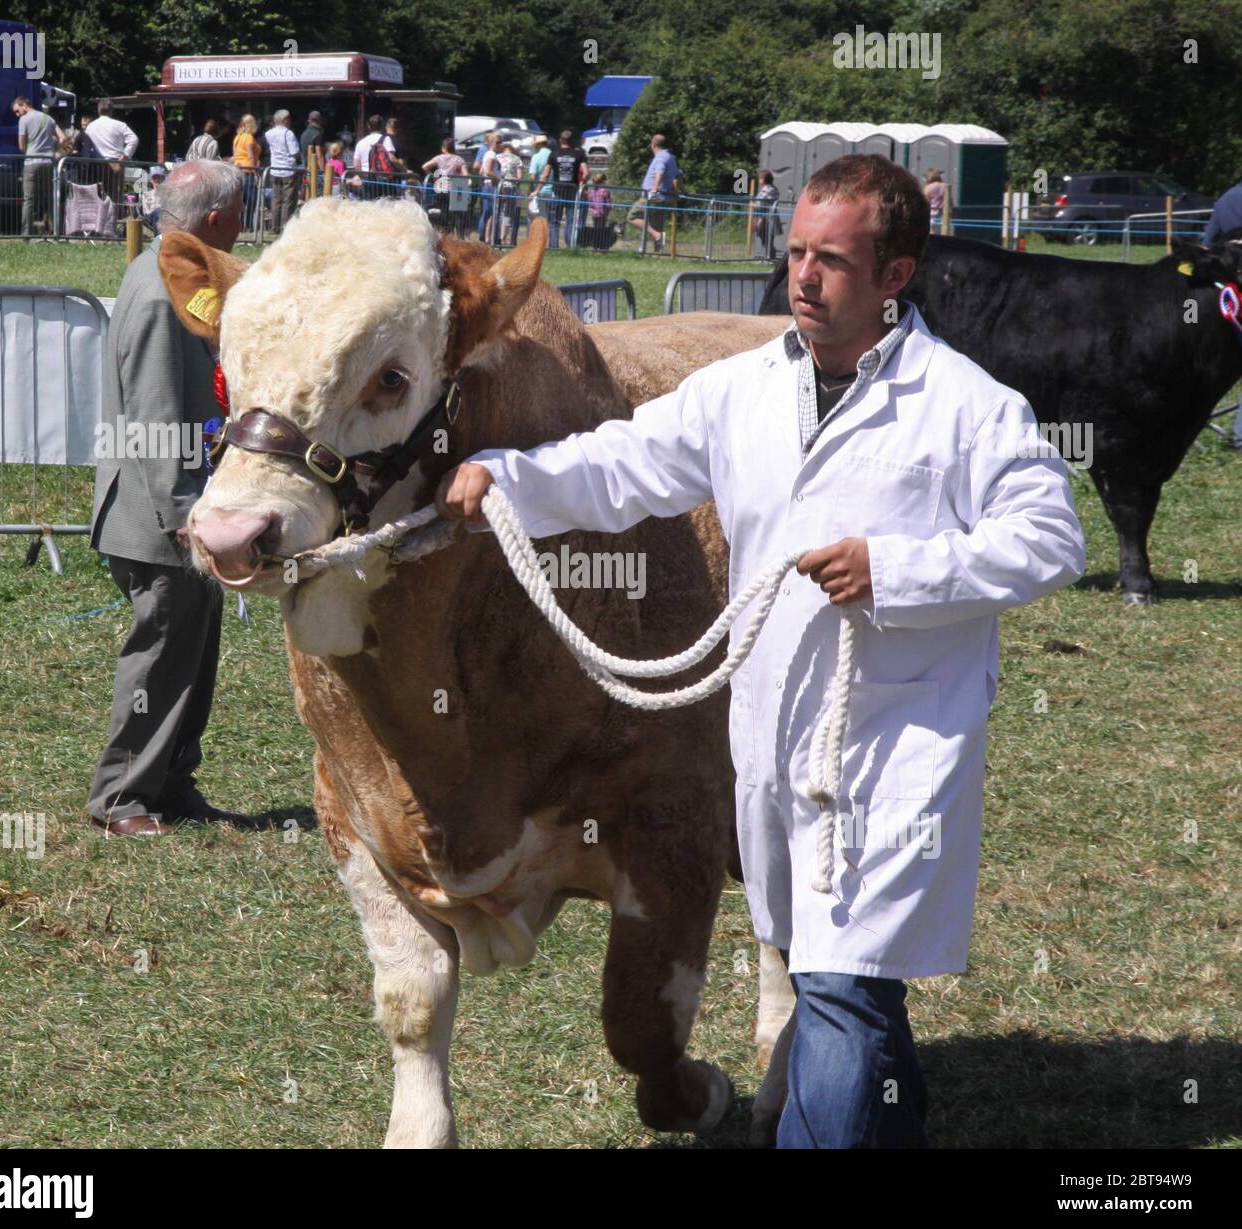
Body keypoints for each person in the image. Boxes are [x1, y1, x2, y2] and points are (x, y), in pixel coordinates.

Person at [435, 154, 1086, 1148]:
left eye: (831, 260)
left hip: (894, 736)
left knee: (839, 976)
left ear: (894, 278)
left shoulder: (967, 405)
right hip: (772, 724)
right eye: (793, 253)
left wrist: (895, 570)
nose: (802, 278)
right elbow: (627, 463)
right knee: (840, 966)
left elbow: (1048, 539)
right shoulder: (738, 389)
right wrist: (508, 477)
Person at [88, 159, 252, 837]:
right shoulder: (160, 292)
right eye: (242, 214)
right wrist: (187, 514)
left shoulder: (176, 276)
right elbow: (157, 420)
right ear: (216, 220)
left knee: (192, 652)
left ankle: (172, 780)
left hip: (186, 506)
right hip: (160, 515)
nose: (247, 226)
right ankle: (121, 797)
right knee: (159, 655)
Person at [13, 96, 65, 237]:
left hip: (32, 162)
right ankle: (54, 231)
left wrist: (28, 151)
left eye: (17, 111)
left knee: (28, 200)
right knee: (51, 198)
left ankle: (26, 234)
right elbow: (63, 138)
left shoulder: (24, 120)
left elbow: (21, 145)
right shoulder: (48, 119)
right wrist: (56, 151)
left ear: (23, 104)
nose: (17, 114)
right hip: (49, 162)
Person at [627, 132, 681, 253]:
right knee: (657, 224)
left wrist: (654, 189)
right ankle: (659, 252)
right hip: (666, 197)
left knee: (632, 216)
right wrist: (682, 191)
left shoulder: (661, 157)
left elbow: (659, 172)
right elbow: (678, 175)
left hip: (654, 197)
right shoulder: (671, 157)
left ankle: (657, 236)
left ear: (653, 145)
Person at [86, 99, 139, 208]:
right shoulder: (120, 125)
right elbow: (134, 139)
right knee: (115, 196)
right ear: (111, 111)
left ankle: (99, 221)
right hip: (116, 164)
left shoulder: (90, 127)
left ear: (98, 110)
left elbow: (86, 146)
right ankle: (116, 220)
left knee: (97, 196)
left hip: (95, 164)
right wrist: (125, 155)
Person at [542, 128, 587, 249]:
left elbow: (545, 174)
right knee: (571, 221)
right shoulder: (579, 154)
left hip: (557, 191)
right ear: (572, 141)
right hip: (572, 191)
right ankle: (570, 246)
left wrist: (537, 189)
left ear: (560, 140)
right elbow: (586, 173)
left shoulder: (554, 153)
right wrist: (582, 185)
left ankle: (553, 247)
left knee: (554, 222)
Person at [422, 137, 468, 235]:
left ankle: (446, 235)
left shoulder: (439, 158)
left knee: (445, 213)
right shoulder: (459, 159)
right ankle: (460, 237)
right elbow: (466, 175)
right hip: (457, 187)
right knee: (458, 215)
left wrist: (434, 177)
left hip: (442, 187)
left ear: (444, 148)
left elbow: (425, 166)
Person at [264, 109, 300, 233]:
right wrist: (299, 158)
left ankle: (274, 227)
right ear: (284, 120)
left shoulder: (268, 133)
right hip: (288, 169)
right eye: (288, 119)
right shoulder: (288, 133)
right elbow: (294, 152)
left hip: (275, 169)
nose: (289, 121)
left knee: (276, 200)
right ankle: (286, 228)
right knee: (288, 200)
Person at [232, 114, 261, 230]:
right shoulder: (248, 137)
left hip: (238, 169)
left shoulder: (237, 137)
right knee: (251, 201)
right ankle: (248, 225)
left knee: (242, 201)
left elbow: (235, 155)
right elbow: (250, 156)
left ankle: (240, 225)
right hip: (248, 170)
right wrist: (256, 173)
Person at [495, 141, 525, 246]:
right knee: (507, 214)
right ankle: (502, 238)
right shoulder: (517, 159)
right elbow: (520, 178)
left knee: (498, 212)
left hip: (499, 187)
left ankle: (495, 236)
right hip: (511, 188)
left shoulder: (497, 156)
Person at [476, 131, 502, 242]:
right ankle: (486, 239)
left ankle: (485, 239)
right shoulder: (491, 154)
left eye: (501, 142)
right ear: (492, 142)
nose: (500, 144)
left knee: (487, 214)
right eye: (498, 142)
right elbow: (488, 171)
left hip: (488, 186)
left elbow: (481, 171)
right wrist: (498, 179)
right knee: (489, 214)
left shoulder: (488, 154)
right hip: (491, 187)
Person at [527, 134, 552, 238]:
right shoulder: (553, 154)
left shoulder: (536, 157)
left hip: (539, 191)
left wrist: (530, 189)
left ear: (537, 145)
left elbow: (532, 176)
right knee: (549, 219)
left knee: (535, 218)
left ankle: (534, 240)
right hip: (553, 190)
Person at [755, 170, 782, 257]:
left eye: (760, 178)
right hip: (764, 217)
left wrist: (753, 204)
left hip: (768, 218)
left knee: (768, 239)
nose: (759, 180)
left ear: (763, 179)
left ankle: (770, 257)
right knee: (764, 238)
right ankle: (767, 256)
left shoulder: (769, 189)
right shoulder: (767, 189)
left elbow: (760, 202)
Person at [586, 170, 614, 250]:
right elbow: (609, 204)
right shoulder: (605, 191)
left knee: (596, 230)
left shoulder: (591, 192)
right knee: (602, 231)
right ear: (603, 181)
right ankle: (601, 246)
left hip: (595, 214)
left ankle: (595, 246)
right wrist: (610, 208)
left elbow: (591, 204)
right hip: (603, 214)